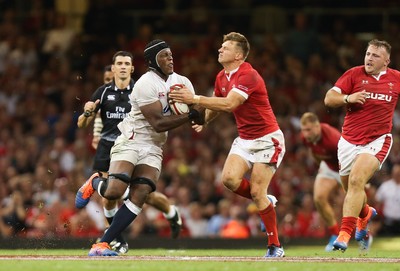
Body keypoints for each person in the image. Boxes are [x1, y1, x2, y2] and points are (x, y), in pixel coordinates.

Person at [75, 40, 204, 256]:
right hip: (132, 140)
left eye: (171, 54)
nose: (171, 58)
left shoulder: (182, 82)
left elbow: (198, 109)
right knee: (114, 191)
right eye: (165, 55)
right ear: (154, 60)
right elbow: (158, 123)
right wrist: (191, 114)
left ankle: (103, 244)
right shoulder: (146, 83)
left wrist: (200, 111)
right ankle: (95, 180)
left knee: (142, 193)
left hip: (154, 146)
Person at [169, 32, 285, 257]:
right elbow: (218, 101)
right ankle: (263, 200)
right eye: (221, 46)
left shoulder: (249, 75)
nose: (220, 50)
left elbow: (230, 103)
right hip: (244, 139)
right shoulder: (222, 76)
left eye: (226, 47)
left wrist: (194, 99)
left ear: (239, 54)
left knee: (257, 191)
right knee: (229, 180)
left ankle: (275, 246)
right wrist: (204, 121)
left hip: (268, 140)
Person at [324, 39, 400, 252]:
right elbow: (329, 99)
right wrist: (348, 98)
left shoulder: (396, 79)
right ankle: (365, 214)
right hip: (348, 141)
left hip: (377, 140)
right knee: (350, 189)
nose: (369, 58)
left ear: (386, 61)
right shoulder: (353, 74)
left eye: (375, 55)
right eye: (368, 54)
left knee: (357, 181)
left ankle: (343, 235)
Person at [299, 112, 342, 251]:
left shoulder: (334, 140)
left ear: (318, 127)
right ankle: (335, 235)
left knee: (354, 203)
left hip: (345, 167)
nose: (305, 134)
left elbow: (349, 157)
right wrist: (321, 166)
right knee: (319, 198)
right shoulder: (306, 138)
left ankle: (364, 233)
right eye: (303, 130)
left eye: (308, 130)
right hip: (328, 166)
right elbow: (314, 152)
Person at [375, 163, 400, 235]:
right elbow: (378, 202)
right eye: (395, 173)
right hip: (388, 223)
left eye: (398, 173)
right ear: (392, 173)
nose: (397, 175)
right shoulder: (385, 186)